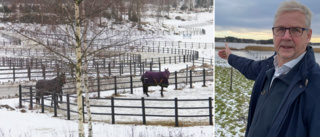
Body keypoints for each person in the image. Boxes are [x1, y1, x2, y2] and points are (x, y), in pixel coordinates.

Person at [218, 1, 320, 137]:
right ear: (274, 33)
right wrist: (230, 56)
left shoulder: (315, 85)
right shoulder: (268, 67)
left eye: (296, 30)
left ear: (308, 36)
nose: (286, 37)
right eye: (280, 29)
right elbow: (248, 67)